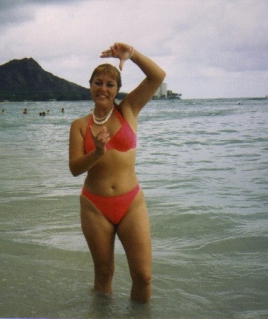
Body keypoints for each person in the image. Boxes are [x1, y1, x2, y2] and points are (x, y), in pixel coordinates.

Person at [69, 42, 165, 303]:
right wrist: (97, 153)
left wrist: (131, 54)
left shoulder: (129, 110)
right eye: (98, 82)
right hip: (94, 206)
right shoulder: (79, 125)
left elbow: (158, 76)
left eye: (110, 84)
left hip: (130, 202)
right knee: (103, 274)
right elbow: (75, 169)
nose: (103, 88)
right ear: (90, 86)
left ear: (117, 90)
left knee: (143, 276)